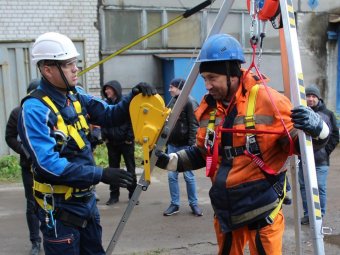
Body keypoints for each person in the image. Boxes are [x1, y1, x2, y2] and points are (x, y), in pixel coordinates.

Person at [156, 33, 330, 254]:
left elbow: (300, 145)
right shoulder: (209, 109)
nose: (207, 86)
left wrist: (319, 129)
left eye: (212, 78)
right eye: (204, 79)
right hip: (227, 212)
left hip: (262, 212)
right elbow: (203, 153)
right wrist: (169, 162)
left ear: (232, 74)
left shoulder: (268, 101)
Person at [17, 32, 156, 255]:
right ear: (47, 69)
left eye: (75, 62)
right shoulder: (35, 109)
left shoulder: (76, 95)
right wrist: (100, 173)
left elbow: (109, 115)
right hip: (60, 211)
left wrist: (133, 97)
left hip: (86, 203)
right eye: (67, 64)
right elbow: (47, 165)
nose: (75, 68)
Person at [5, 79, 41, 255]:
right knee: (32, 204)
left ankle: (54, 237)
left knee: (54, 203)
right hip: (29, 168)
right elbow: (9, 137)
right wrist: (26, 152)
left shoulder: (49, 112)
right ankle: (35, 241)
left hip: (50, 168)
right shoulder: (17, 113)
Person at [299, 85, 339, 225]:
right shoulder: (301, 113)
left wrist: (326, 150)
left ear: (318, 98)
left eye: (313, 96)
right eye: (308, 96)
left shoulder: (328, 114)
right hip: (303, 159)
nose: (310, 99)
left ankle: (319, 214)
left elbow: (335, 135)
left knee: (319, 187)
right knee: (304, 187)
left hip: (321, 161)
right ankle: (308, 214)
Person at [163, 78, 203, 217]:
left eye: (171, 87)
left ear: (179, 88)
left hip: (185, 146)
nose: (169, 90)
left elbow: (194, 125)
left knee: (188, 176)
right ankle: (175, 204)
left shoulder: (190, 102)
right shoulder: (173, 101)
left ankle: (194, 204)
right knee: (171, 176)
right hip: (172, 145)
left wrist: (192, 146)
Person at [101, 80, 137, 205]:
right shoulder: (105, 104)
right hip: (111, 143)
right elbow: (103, 121)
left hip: (126, 143)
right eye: (105, 90)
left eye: (108, 89)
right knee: (113, 169)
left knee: (130, 168)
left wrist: (129, 137)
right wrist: (104, 136)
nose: (106, 92)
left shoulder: (125, 104)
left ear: (115, 89)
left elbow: (132, 121)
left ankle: (133, 195)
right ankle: (114, 195)